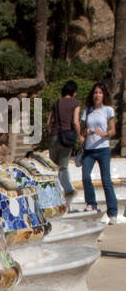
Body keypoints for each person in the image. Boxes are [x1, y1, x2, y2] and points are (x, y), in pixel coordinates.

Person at [79, 82, 121, 223]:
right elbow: (82, 131)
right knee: (85, 176)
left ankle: (113, 213)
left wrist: (104, 133)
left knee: (106, 181)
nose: (97, 95)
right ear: (93, 95)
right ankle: (91, 204)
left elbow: (113, 130)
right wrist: (86, 133)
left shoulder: (108, 110)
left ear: (104, 95)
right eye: (95, 93)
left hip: (103, 149)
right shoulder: (87, 110)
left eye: (100, 93)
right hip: (89, 150)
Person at [46, 80, 80, 201]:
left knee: (52, 168)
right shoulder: (75, 104)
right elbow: (75, 122)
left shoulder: (57, 103)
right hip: (66, 138)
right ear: (74, 91)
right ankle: (68, 191)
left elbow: (48, 122)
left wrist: (52, 133)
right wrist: (79, 135)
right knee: (63, 167)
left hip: (54, 137)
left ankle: (50, 195)